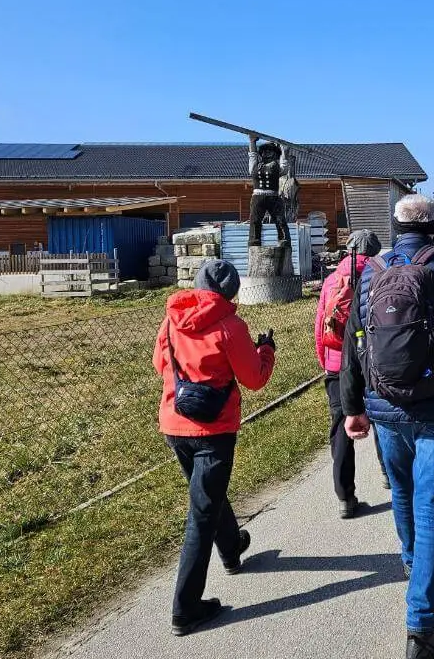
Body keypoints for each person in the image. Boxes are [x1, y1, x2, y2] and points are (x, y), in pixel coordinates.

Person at [340, 194, 434, 659]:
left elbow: (354, 344)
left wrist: (353, 407)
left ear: (394, 226)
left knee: (403, 493)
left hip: (386, 406)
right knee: (432, 512)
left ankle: (414, 564)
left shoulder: (372, 272)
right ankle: (422, 631)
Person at [152, 260, 277, 636]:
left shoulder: (172, 318)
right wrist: (266, 351)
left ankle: (232, 548)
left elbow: (160, 364)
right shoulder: (231, 325)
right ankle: (185, 608)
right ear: (232, 291)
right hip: (214, 429)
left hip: (175, 422)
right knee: (201, 513)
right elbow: (254, 379)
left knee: (207, 495)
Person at [315, 229, 390, 518]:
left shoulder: (332, 279)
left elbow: (320, 325)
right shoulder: (381, 275)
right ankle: (389, 474)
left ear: (348, 250)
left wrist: (326, 362)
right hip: (373, 361)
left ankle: (345, 497)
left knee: (341, 428)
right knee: (382, 419)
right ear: (375, 250)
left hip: (337, 365)